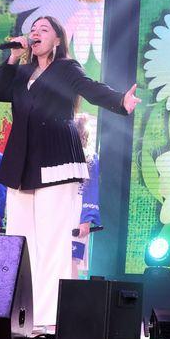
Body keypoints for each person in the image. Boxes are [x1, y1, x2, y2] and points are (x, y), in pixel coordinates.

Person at [0, 15, 140, 330]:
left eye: (44, 29)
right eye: (33, 30)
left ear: (57, 39)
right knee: (22, 240)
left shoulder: (66, 68)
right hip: (21, 162)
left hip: (56, 157)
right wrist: (13, 57)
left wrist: (120, 101)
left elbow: (90, 89)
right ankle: (22, 314)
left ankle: (47, 317)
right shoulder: (22, 71)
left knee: (51, 240)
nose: (36, 33)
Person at [72, 113, 101, 277]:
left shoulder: (89, 156)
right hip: (60, 208)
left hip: (78, 211)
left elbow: (91, 189)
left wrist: (86, 220)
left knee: (72, 259)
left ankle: (68, 293)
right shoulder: (59, 154)